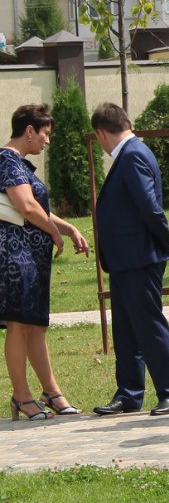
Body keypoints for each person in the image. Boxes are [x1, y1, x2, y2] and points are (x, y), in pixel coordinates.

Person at [89, 102, 169, 418]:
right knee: (126, 329)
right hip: (125, 259)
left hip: (140, 258)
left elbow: (150, 207)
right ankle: (129, 393)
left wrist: (167, 241)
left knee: (148, 325)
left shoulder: (131, 156)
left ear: (102, 133)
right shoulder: (133, 154)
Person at [1, 104, 89, 420]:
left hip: (30, 257)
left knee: (36, 325)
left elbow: (36, 207)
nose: (47, 141)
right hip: (15, 256)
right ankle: (22, 398)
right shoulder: (7, 161)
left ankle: (52, 392)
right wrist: (55, 234)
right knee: (19, 323)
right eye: (45, 134)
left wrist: (68, 227)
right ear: (29, 131)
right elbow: (26, 206)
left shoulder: (19, 165)